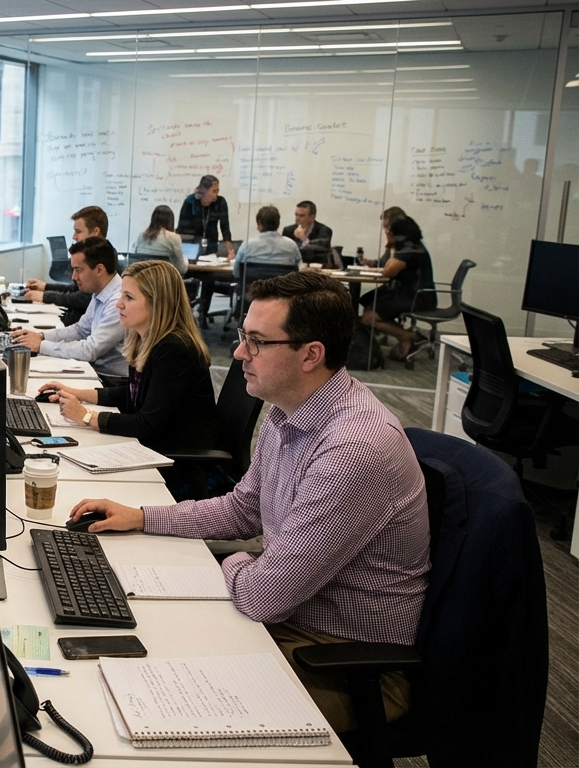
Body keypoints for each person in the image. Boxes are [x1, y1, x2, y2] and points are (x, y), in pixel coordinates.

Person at [66, 270, 430, 735]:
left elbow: (262, 597)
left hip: (341, 660)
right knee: (131, 646)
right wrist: (140, 516)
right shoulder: (288, 411)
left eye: (256, 342)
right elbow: (243, 509)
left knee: (158, 701)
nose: (239, 353)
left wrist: (237, 561)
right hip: (289, 617)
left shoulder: (353, 448)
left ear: (311, 355)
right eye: (243, 337)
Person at [37, 260, 216, 459]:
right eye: (122, 294)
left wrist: (86, 416)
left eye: (128, 297)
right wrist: (77, 393)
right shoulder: (146, 338)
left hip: (176, 457)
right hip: (155, 445)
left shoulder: (175, 350)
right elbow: (134, 393)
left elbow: (147, 425)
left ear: (157, 304)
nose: (118, 304)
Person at [9, 236, 127, 381]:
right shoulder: (101, 291)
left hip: (111, 381)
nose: (73, 277)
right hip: (96, 372)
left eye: (78, 270)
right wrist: (41, 336)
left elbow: (90, 350)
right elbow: (80, 330)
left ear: (99, 270)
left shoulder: (117, 301)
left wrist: (41, 345)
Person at [360, 213, 435, 362]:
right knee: (367, 300)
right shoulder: (411, 245)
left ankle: (407, 337)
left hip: (417, 297)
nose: (387, 232)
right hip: (407, 293)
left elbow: (389, 270)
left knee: (369, 318)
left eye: (389, 230)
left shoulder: (410, 249)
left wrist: (391, 247)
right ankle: (405, 335)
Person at [24, 205, 106, 324]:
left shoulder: (104, 260)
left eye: (78, 231)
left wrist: (45, 296)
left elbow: (84, 298)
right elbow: (75, 289)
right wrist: (45, 287)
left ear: (95, 232)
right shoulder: (93, 256)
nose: (74, 236)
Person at [232, 205, 301, 280]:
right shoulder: (291, 245)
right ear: (278, 223)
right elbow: (299, 270)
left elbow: (236, 273)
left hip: (253, 287)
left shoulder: (247, 245)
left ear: (259, 223)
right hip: (282, 287)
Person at [176, 174, 235, 260]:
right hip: (192, 246)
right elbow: (182, 229)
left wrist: (230, 251)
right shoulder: (190, 202)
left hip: (211, 245)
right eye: (214, 191)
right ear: (204, 190)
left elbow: (225, 227)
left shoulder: (220, 202)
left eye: (217, 191)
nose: (216, 194)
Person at [128, 205, 187, 274]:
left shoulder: (141, 236)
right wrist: (186, 261)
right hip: (163, 279)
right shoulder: (173, 237)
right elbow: (182, 269)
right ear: (171, 221)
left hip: (143, 278)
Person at [281, 200, 333, 265]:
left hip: (315, 267)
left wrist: (304, 239)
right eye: (296, 215)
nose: (297, 218)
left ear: (312, 217)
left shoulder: (324, 231)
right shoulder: (288, 230)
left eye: (302, 216)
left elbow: (322, 252)